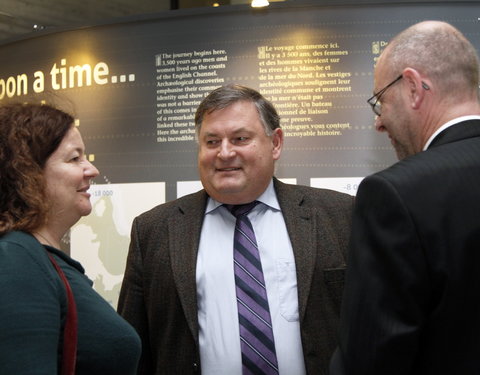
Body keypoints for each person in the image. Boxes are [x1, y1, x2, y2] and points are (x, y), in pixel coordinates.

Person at [118, 84, 353, 374]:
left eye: (240, 138)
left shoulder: (341, 216)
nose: (225, 153)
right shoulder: (154, 231)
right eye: (212, 141)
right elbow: (133, 346)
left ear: (275, 143)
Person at [329, 21, 480, 375]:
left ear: (413, 87)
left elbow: (372, 358)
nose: (379, 123)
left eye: (380, 101)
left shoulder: (396, 194)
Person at [0, 103, 141, 374]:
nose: (92, 170)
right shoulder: (16, 259)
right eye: (75, 158)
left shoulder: (37, 259)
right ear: (28, 172)